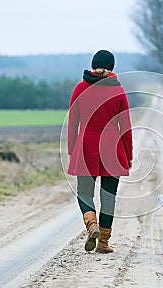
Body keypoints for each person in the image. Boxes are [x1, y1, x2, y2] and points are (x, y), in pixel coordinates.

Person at [67, 50, 133, 253]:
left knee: (84, 193)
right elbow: (126, 127)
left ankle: (91, 224)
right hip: (113, 148)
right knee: (108, 197)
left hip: (86, 146)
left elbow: (73, 121)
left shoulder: (80, 88)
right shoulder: (118, 91)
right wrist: (128, 155)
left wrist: (72, 149)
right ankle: (103, 243)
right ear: (112, 67)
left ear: (93, 65)